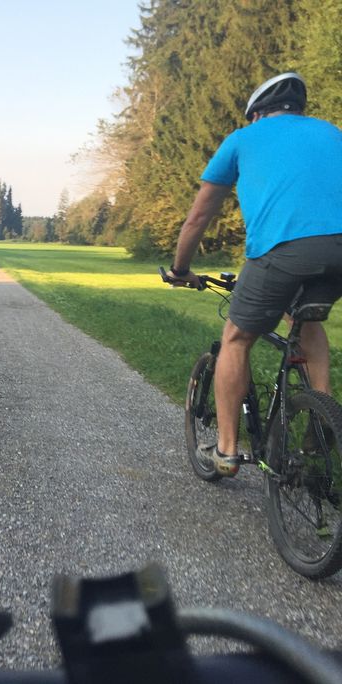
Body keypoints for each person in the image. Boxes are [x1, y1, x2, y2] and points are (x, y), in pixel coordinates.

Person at [166, 72, 342, 476]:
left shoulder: (243, 139)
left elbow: (198, 218)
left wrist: (181, 269)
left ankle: (226, 451)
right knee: (303, 318)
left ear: (257, 114)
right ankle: (322, 412)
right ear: (297, 109)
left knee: (236, 337)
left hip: (284, 250)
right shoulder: (332, 133)